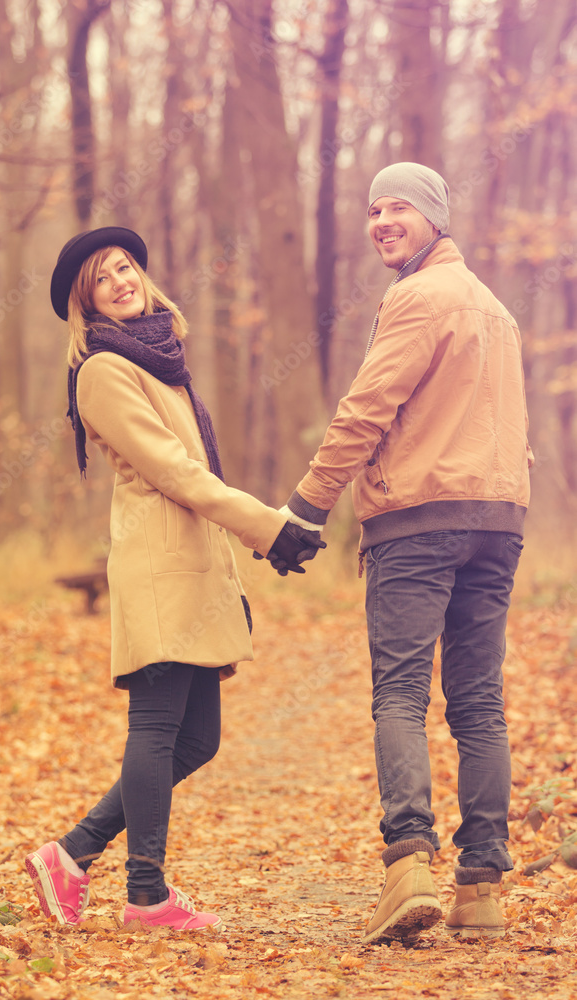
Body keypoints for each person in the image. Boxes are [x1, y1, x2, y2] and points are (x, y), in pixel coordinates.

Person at [25, 226, 324, 932]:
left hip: (193, 563)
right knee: (157, 729)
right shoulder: (102, 370)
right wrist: (267, 525)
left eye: (126, 267)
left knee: (197, 740)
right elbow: (173, 472)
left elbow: (194, 474)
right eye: (102, 278)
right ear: (85, 302)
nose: (121, 281)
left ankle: (71, 854)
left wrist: (250, 540)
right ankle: (145, 896)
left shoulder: (160, 364)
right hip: (159, 566)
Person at [278, 163, 533, 943]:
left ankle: (407, 865)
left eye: (398, 207)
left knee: (399, 693)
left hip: (421, 519)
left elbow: (366, 408)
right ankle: (481, 889)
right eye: (372, 209)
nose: (381, 220)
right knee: (477, 700)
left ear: (434, 218)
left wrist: (307, 505)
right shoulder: (494, 308)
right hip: (498, 517)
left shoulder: (418, 297)